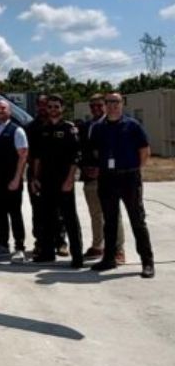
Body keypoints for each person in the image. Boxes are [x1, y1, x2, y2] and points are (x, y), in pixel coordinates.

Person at [90, 93, 155, 278]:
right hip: (107, 179)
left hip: (129, 178)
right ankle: (109, 258)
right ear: (105, 105)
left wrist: (136, 170)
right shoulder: (98, 128)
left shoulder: (132, 125)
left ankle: (147, 262)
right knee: (109, 221)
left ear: (122, 104)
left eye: (116, 102)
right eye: (109, 102)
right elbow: (95, 151)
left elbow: (144, 150)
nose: (112, 106)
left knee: (137, 220)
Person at [30, 95, 83, 268]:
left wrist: (70, 180)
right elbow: (37, 157)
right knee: (47, 218)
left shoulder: (69, 129)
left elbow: (76, 157)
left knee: (69, 219)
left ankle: (77, 257)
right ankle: (47, 253)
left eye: (56, 107)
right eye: (50, 107)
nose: (53, 109)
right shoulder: (43, 129)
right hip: (46, 181)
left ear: (62, 109)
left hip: (64, 181)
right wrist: (35, 178)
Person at [79, 94, 125, 263]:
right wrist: (85, 168)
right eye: (93, 106)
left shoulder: (115, 125)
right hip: (89, 178)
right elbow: (82, 151)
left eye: (99, 105)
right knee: (95, 214)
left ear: (106, 105)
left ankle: (118, 250)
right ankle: (98, 245)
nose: (96, 108)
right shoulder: (86, 126)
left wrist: (102, 169)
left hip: (110, 177)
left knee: (113, 214)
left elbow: (118, 152)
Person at [0, 99, 28, 262]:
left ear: (9, 111)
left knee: (15, 214)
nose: (0, 111)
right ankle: (3, 244)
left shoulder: (17, 131)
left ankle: (19, 247)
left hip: (11, 180)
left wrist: (17, 178)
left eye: (3, 108)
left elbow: (23, 155)